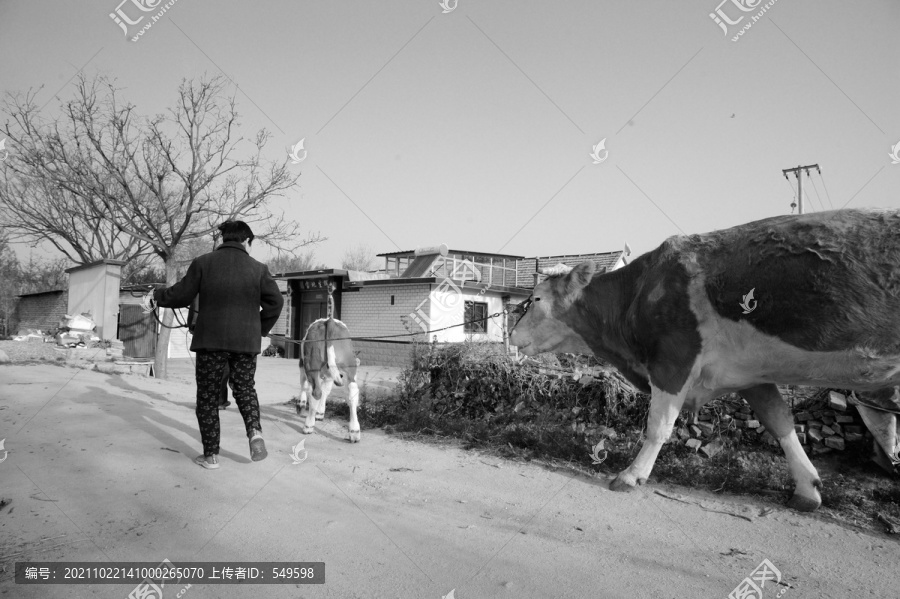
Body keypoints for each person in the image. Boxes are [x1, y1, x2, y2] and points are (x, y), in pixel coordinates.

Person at [150, 220, 284, 469]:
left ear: (224, 239)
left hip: (210, 342)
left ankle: (211, 456)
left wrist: (156, 297)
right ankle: (254, 432)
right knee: (245, 389)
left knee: (208, 397)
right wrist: (259, 328)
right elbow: (276, 303)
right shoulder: (259, 269)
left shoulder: (203, 263)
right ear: (247, 241)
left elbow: (181, 295)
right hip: (245, 343)